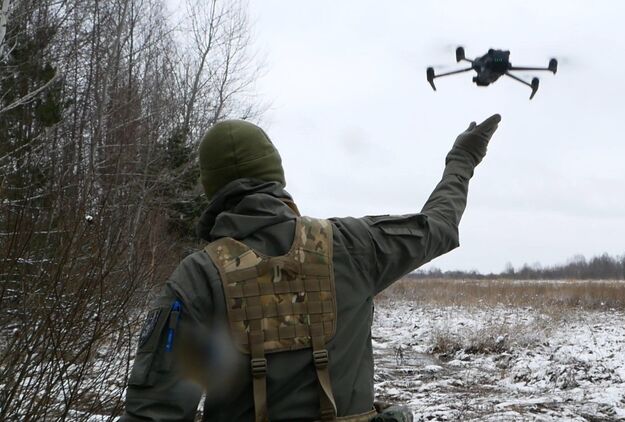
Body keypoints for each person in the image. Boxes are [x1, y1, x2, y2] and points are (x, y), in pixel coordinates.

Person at [120, 114, 502, 421]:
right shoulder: (352, 244)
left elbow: (155, 413)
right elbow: (439, 226)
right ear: (276, 176)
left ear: (211, 188)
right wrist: (462, 159)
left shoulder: (198, 278)